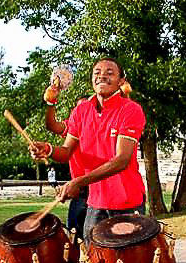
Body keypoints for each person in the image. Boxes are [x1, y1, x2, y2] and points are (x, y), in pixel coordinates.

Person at [30, 58, 146, 240]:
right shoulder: (81, 110)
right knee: (90, 256)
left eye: (110, 73)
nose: (102, 76)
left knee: (128, 259)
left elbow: (121, 160)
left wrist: (78, 182)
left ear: (121, 81)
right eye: (97, 72)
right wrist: (48, 149)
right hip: (95, 202)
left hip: (127, 202)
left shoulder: (131, 110)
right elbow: (66, 151)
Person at [43, 84, 89, 241]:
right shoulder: (72, 125)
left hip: (99, 187)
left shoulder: (100, 125)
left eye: (86, 107)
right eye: (78, 109)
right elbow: (51, 125)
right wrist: (51, 102)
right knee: (75, 236)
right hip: (78, 189)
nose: (82, 112)